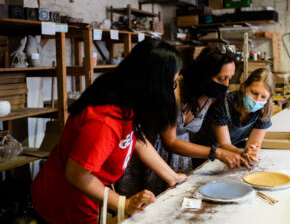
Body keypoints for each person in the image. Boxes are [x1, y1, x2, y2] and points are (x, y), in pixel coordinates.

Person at [31, 39, 187, 224]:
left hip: (85, 192)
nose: (174, 89)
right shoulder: (106, 119)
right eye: (173, 83)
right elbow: (76, 175)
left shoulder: (127, 98)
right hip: (66, 200)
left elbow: (136, 138)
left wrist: (172, 177)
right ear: (154, 85)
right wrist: (123, 204)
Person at [116, 45, 251, 197]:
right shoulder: (174, 87)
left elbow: (224, 141)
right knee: (144, 209)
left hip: (180, 160)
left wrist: (240, 152)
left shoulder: (212, 96)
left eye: (229, 78)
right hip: (151, 156)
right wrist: (216, 152)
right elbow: (170, 142)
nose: (226, 84)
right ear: (204, 73)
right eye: (221, 78)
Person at [192, 68, 275, 167]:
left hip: (230, 151)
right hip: (203, 151)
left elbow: (254, 143)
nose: (257, 100)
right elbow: (224, 144)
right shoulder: (223, 102)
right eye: (254, 93)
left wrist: (252, 151)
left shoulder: (265, 110)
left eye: (263, 97)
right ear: (244, 87)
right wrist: (244, 154)